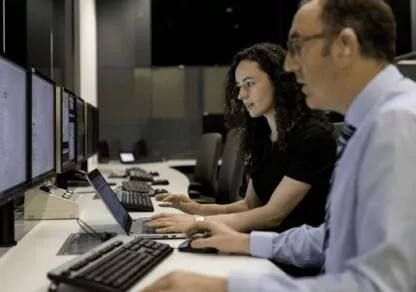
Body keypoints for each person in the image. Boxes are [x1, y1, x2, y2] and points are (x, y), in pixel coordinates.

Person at [141, 0, 416, 291]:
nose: (289, 66)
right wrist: (244, 241)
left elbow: (381, 285)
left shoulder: (396, 125)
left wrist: (228, 287)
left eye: (299, 47)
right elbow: (335, 238)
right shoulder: (367, 124)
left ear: (344, 45)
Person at [147, 43, 336, 235]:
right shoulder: (263, 136)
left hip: (292, 255)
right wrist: (195, 209)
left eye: (249, 84)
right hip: (262, 243)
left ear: (280, 81)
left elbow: (273, 214)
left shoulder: (313, 137)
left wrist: (199, 222)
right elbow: (249, 206)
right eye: (239, 86)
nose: (241, 95)